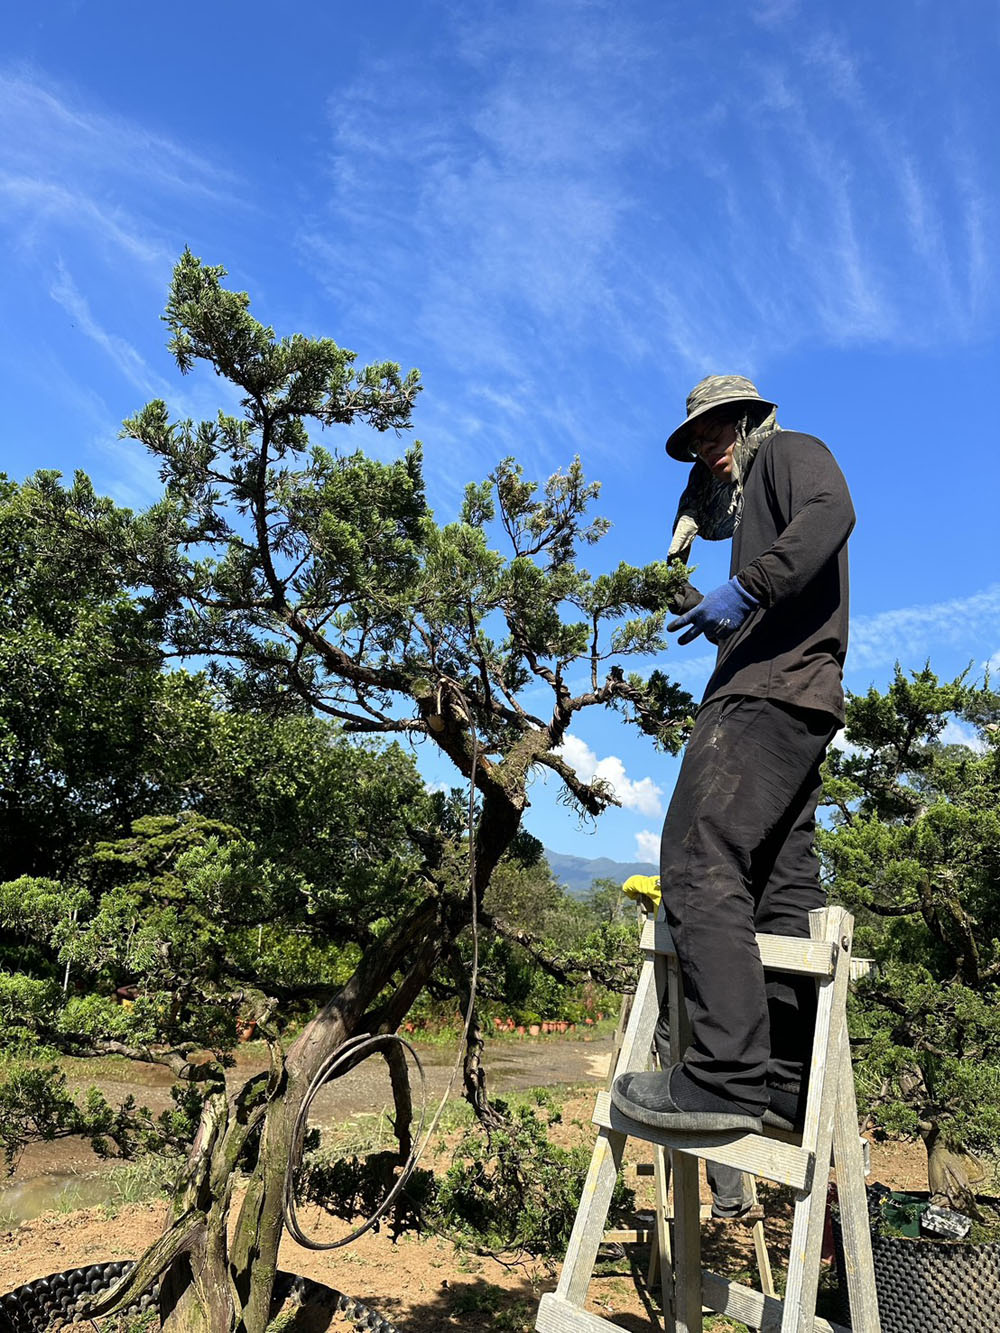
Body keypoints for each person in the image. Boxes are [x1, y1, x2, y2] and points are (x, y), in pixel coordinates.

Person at [612, 374, 855, 1137]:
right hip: (797, 697)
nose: (709, 450)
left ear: (749, 421)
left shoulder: (788, 451)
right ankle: (782, 1083)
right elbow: (771, 587)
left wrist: (746, 588)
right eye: (696, 442)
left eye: (718, 432)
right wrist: (719, 612)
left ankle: (722, 1075)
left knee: (695, 850)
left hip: (765, 698)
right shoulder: (750, 501)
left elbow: (834, 512)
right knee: (781, 890)